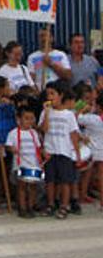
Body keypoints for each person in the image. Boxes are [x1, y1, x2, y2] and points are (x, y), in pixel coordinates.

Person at [40, 80, 81, 219]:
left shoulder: (68, 114)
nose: (50, 97)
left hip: (64, 151)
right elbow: (44, 130)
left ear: (60, 95)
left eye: (53, 94)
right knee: (50, 180)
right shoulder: (45, 113)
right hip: (50, 150)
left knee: (65, 181)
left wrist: (78, 154)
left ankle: (65, 205)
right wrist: (46, 113)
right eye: (48, 94)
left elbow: (73, 134)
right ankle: (51, 204)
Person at [6, 105, 44, 218]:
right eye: (26, 118)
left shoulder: (34, 133)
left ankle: (30, 206)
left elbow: (38, 147)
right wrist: (11, 149)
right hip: (21, 164)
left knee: (33, 186)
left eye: (32, 118)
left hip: (34, 163)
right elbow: (8, 146)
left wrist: (43, 155)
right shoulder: (13, 133)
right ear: (19, 119)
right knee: (22, 186)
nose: (29, 121)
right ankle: (22, 208)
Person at [77, 96, 103, 211]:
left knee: (87, 175)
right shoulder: (96, 118)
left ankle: (82, 195)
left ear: (97, 106)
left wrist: (82, 110)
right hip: (101, 151)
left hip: (91, 150)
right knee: (101, 176)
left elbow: (78, 118)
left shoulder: (92, 118)